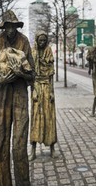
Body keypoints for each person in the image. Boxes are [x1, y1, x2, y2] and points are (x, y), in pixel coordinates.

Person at [0, 10, 35, 186]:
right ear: (4, 27)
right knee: (1, 141)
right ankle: (3, 184)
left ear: (16, 26)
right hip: (2, 95)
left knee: (19, 143)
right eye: (7, 26)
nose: (10, 30)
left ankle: (23, 185)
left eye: (13, 26)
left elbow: (33, 74)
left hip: (20, 95)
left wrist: (21, 73)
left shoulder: (23, 41)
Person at [29, 31, 57, 161]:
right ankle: (33, 150)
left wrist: (51, 91)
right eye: (40, 40)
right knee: (35, 118)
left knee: (49, 117)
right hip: (36, 87)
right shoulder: (32, 52)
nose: (42, 43)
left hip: (47, 86)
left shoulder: (49, 51)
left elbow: (51, 74)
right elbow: (31, 75)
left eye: (44, 41)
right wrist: (33, 90)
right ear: (36, 40)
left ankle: (52, 148)